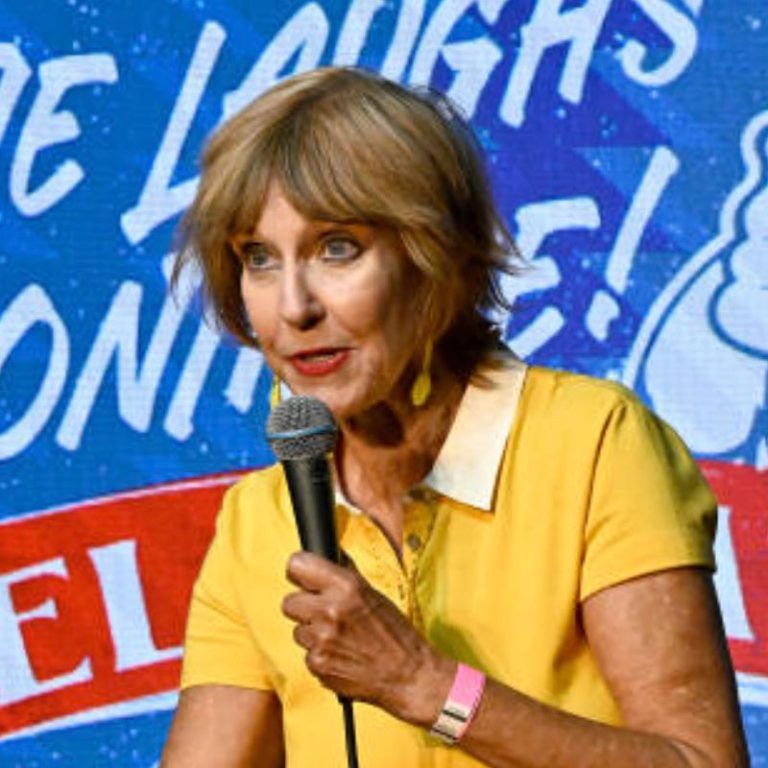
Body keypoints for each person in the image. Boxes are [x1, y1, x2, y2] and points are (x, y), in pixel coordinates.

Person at [161, 66, 749, 767]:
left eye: (337, 248)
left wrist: (423, 684)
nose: (294, 308)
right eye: (258, 258)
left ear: (435, 255)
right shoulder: (258, 521)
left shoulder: (593, 443)